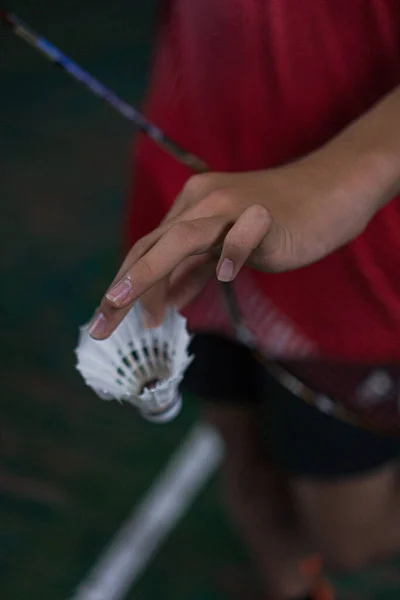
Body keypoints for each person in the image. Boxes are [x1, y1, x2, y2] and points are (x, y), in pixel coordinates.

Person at [89, 2, 400, 599]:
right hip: (188, 197)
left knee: (350, 537)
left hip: (352, 241)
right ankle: (292, 589)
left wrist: (329, 179)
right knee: (240, 438)